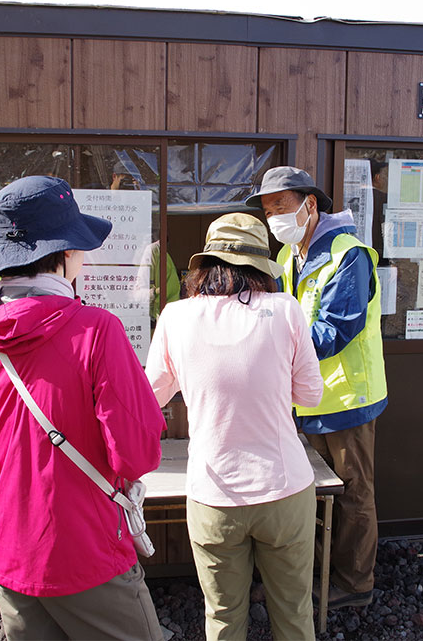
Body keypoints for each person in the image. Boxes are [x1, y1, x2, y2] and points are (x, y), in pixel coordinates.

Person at [0, 176, 167, 641]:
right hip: (86, 549)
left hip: (7, 547)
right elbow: (136, 452)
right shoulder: (96, 330)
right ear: (65, 253)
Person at [145, 213, 324, 641]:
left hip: (213, 495)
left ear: (205, 264)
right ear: (262, 266)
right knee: (295, 614)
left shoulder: (175, 316)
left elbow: (151, 397)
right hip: (285, 489)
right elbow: (311, 395)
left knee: (222, 617)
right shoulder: (286, 310)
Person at [246, 166, 388, 610]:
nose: (274, 219)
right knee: (315, 497)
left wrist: (269, 355)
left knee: (353, 496)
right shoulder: (291, 255)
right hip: (306, 398)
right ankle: (318, 576)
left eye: (281, 207)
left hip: (348, 399)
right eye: (268, 211)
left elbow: (336, 329)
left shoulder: (349, 254)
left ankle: (355, 583)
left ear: (310, 204)